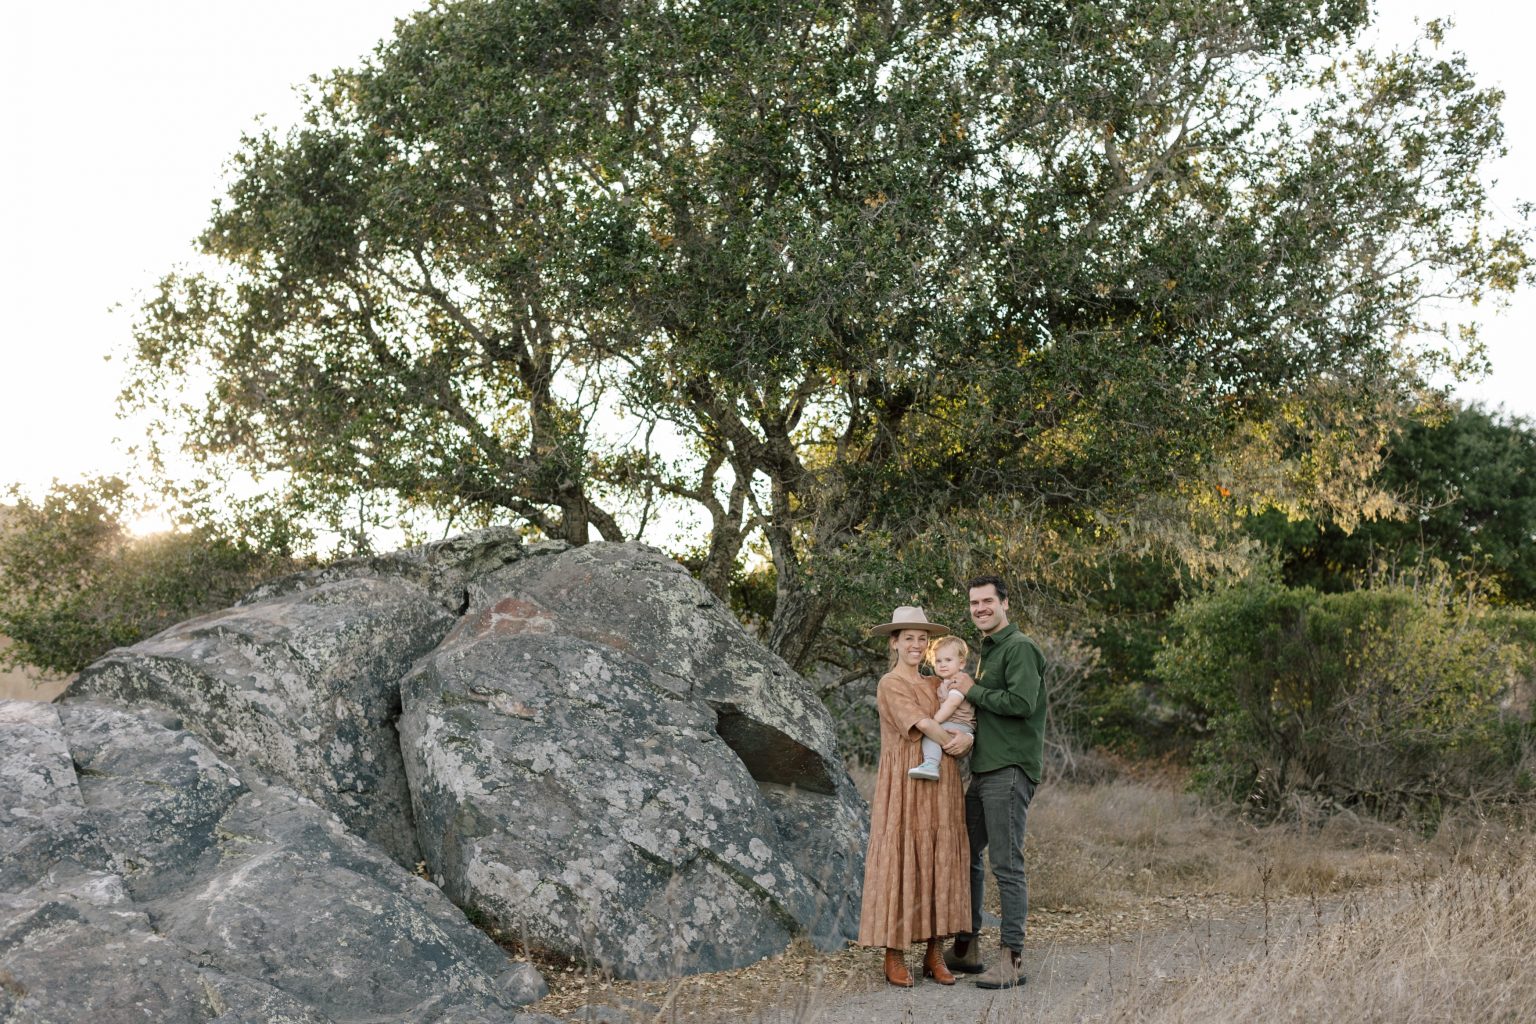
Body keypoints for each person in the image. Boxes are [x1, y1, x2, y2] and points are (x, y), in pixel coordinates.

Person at [857, 606, 973, 987]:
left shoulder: (936, 681)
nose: (916, 644)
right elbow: (922, 725)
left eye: (922, 639)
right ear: (894, 642)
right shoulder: (890, 684)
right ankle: (894, 954)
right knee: (902, 860)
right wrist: (957, 741)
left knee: (940, 859)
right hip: (904, 784)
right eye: (908, 638)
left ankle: (934, 954)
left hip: (942, 784)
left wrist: (969, 737)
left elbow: (964, 709)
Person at [944, 575, 1047, 990]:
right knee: (964, 852)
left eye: (988, 601)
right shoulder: (988, 651)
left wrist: (973, 689)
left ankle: (1012, 959)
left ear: (1005, 603)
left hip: (1010, 768)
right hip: (984, 769)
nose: (980, 608)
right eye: (974, 603)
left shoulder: (1020, 647)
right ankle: (966, 946)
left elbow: (1022, 703)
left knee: (1006, 864)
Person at [907, 636, 976, 781]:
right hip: (955, 723)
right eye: (938, 661)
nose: (943, 664)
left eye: (948, 660)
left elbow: (952, 704)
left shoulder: (958, 681)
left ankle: (931, 764)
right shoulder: (944, 682)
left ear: (961, 663)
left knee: (930, 734)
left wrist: (935, 721)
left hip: (960, 724)